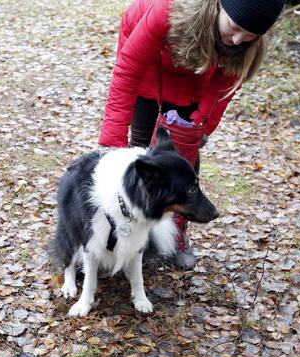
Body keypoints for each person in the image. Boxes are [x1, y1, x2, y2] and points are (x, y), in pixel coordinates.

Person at [99, 0, 284, 269]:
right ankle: (131, 233)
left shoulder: (242, 45)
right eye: (234, 27)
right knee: (140, 155)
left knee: (183, 158)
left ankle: (175, 233)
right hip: (152, 60)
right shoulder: (167, 9)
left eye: (250, 35)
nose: (237, 39)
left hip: (199, 71)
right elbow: (128, 73)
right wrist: (111, 147)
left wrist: (198, 128)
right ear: (219, 6)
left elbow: (221, 91)